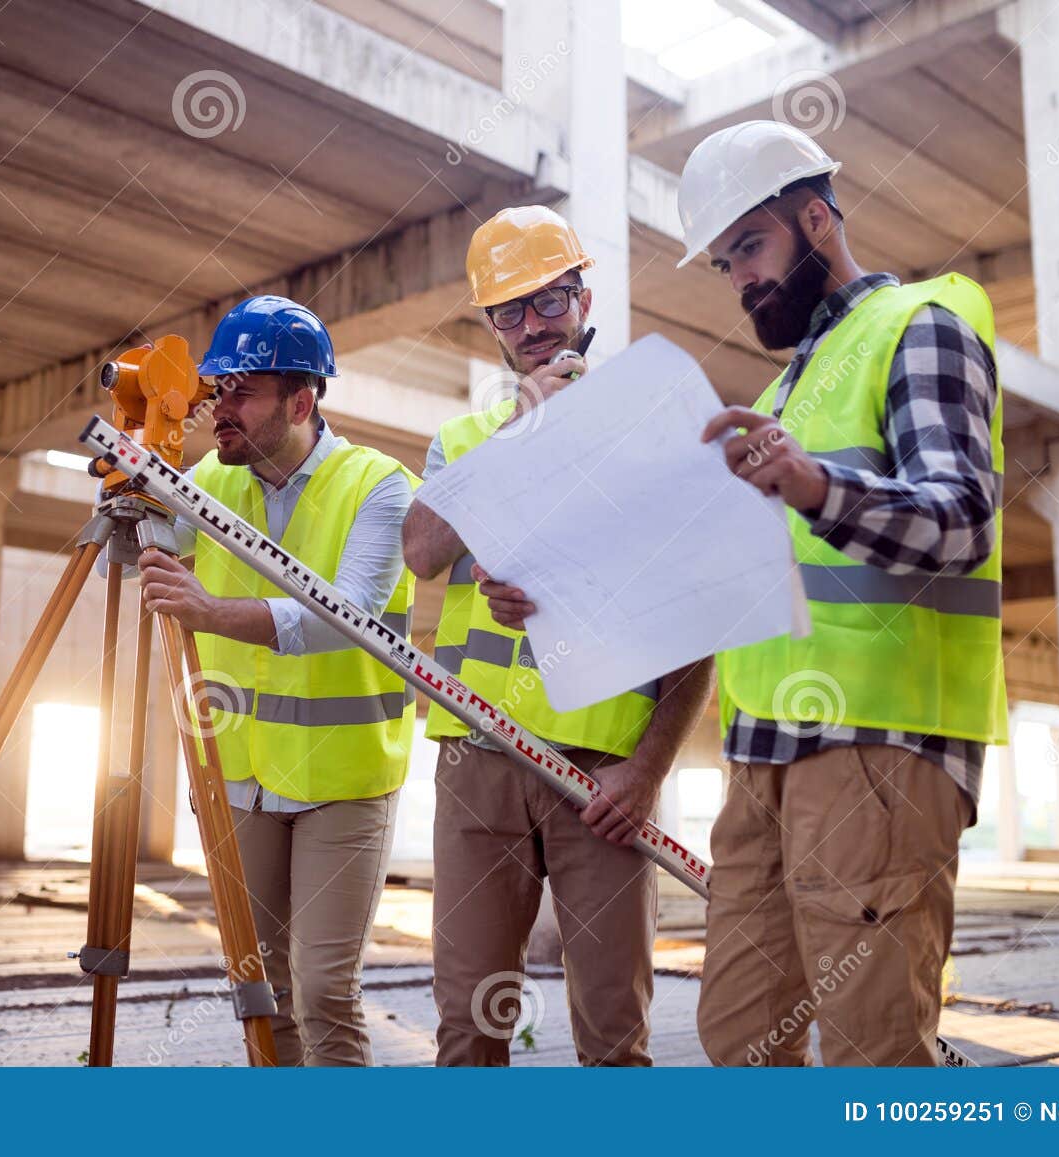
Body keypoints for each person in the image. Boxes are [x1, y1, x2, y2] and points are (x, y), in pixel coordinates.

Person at [678, 120, 1006, 1065]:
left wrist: (817, 486)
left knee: (872, 1049)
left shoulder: (920, 325)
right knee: (739, 1042)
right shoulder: (783, 394)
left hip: (877, 752)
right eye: (724, 261)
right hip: (762, 756)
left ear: (817, 220)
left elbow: (962, 519)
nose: (739, 278)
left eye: (751, 245)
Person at [401, 206, 715, 1066]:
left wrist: (647, 772)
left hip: (601, 781)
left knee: (614, 1038)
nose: (534, 326)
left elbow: (700, 629)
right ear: (493, 328)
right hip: (479, 765)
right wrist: (515, 433)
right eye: (511, 311)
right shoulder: (467, 440)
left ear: (584, 297)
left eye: (549, 301)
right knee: (469, 1029)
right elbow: (424, 551)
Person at [135, 295, 417, 1066]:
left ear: (301, 400)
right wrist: (129, 492)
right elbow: (133, 554)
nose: (219, 409)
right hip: (241, 779)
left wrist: (211, 610)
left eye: (241, 393)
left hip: (343, 779)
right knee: (262, 989)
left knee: (323, 989)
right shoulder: (210, 481)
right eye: (216, 390)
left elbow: (349, 613)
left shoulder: (380, 486)